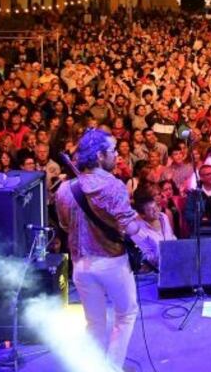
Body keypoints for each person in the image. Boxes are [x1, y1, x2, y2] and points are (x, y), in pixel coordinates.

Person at [55, 128, 154, 371]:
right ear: (100, 155)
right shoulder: (114, 186)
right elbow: (128, 228)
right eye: (113, 151)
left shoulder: (64, 189)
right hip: (111, 262)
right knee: (126, 314)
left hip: (80, 265)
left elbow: (64, 225)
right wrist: (139, 224)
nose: (117, 155)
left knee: (95, 323)